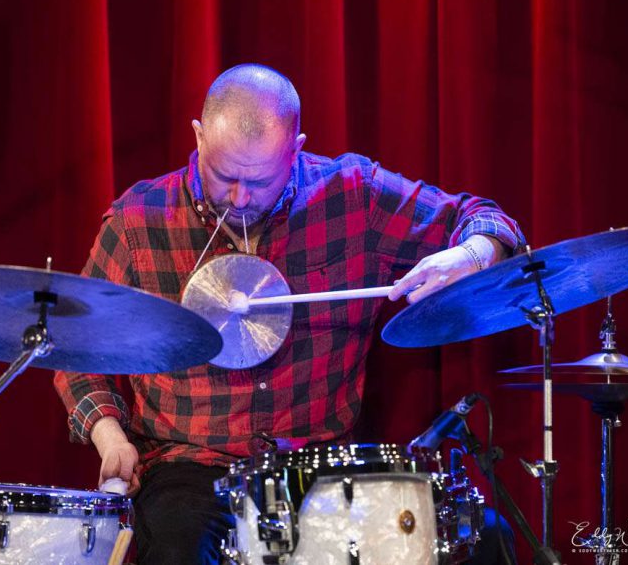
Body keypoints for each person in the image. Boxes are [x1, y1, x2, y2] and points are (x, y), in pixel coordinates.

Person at [54, 64, 523, 564]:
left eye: (257, 181)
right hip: (189, 466)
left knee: (483, 537)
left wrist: (473, 255)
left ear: (295, 149)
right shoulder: (138, 220)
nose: (238, 198)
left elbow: (485, 218)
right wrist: (108, 433)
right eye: (223, 176)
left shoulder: (353, 195)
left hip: (322, 467)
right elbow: (72, 346)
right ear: (198, 135)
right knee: (177, 547)